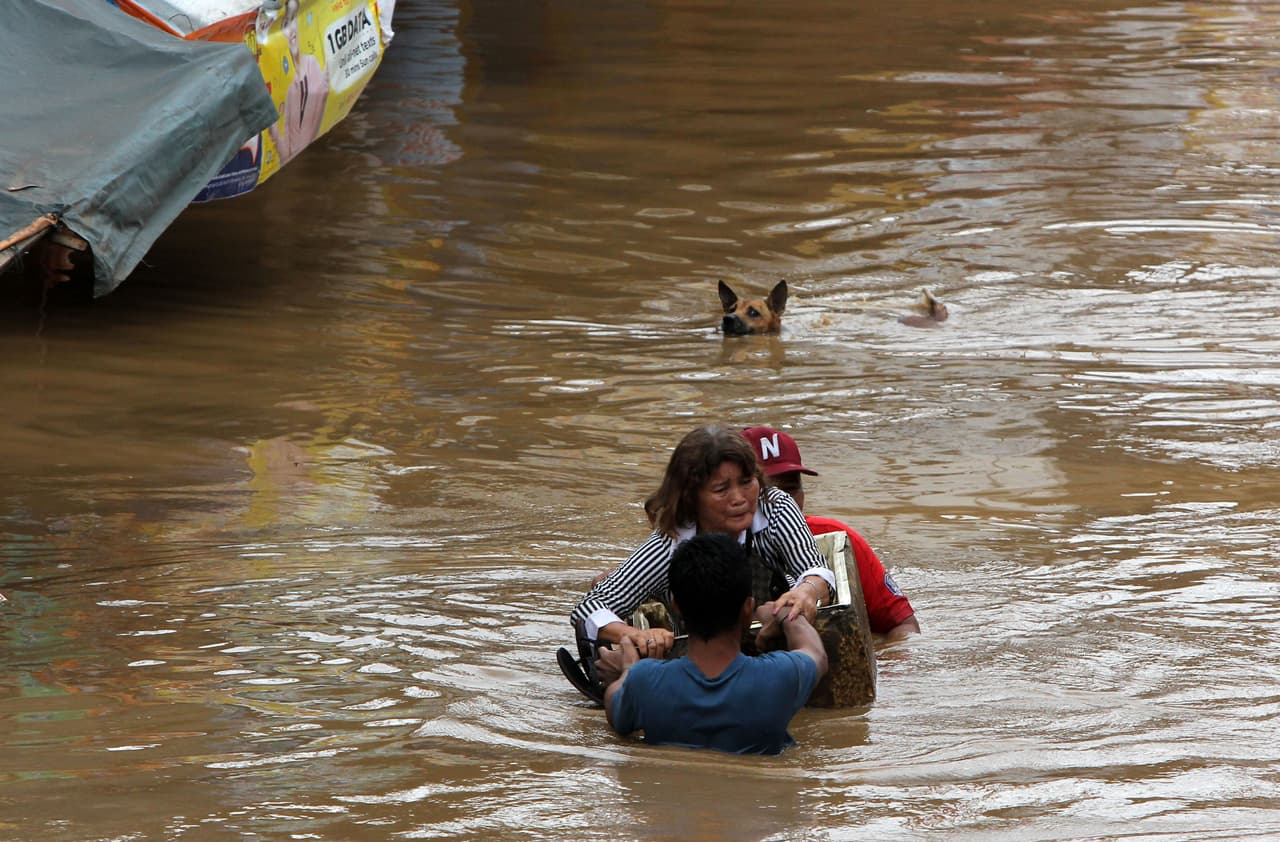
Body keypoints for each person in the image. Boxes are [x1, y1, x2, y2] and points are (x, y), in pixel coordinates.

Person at [565, 425, 837, 698]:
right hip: (703, 657)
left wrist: (806, 591)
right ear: (691, 498)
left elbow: (816, 570)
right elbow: (589, 608)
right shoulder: (670, 543)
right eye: (721, 489)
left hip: (772, 635)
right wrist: (634, 635)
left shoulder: (775, 508)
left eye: (747, 482)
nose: (739, 499)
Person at [606, 532, 827, 754]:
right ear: (748, 608)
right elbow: (816, 654)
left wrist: (627, 670)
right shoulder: (780, 676)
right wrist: (786, 614)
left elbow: (615, 711)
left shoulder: (643, 681)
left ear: (676, 607)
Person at [741, 426, 920, 640]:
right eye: (766, 492)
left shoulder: (838, 539)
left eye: (791, 489)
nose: (779, 503)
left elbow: (903, 625)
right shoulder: (711, 544)